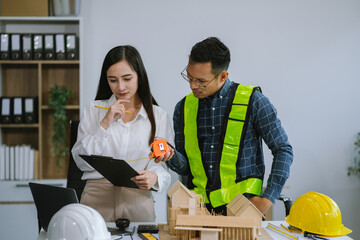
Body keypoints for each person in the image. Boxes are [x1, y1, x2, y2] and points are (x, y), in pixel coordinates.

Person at [159, 37, 293, 215]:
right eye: (189, 77)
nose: (192, 85)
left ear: (222, 76)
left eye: (200, 81)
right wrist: (171, 155)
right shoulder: (183, 108)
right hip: (199, 211)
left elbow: (283, 149)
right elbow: (186, 168)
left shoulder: (253, 101)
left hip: (244, 208)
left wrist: (268, 198)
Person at [71, 45, 174, 222]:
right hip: (96, 198)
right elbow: (80, 161)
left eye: (127, 78)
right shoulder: (94, 110)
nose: (120, 87)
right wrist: (105, 122)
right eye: (113, 80)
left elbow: (162, 165)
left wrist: (155, 177)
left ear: (139, 77)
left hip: (138, 198)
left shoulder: (158, 116)